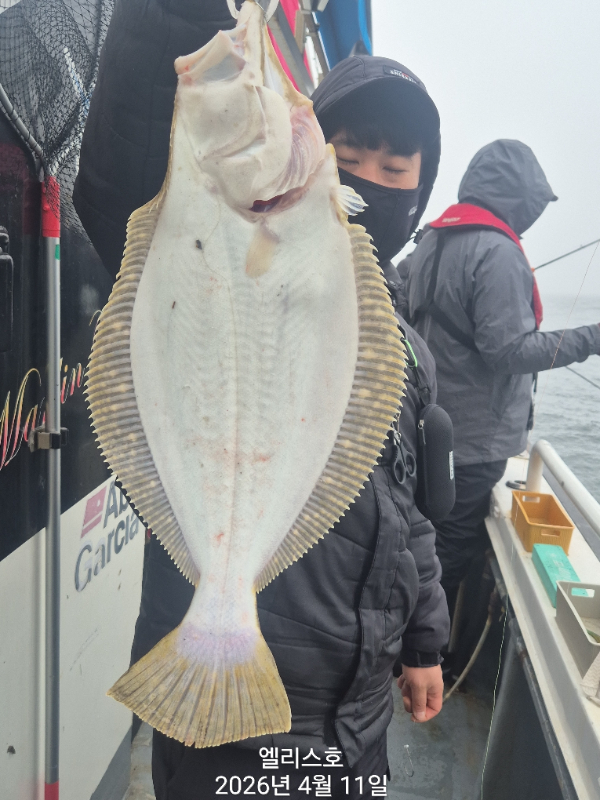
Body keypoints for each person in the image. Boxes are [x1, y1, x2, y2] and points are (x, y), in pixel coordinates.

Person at [74, 2, 450, 795]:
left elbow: (408, 513)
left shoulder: (404, 350)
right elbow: (121, 176)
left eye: (396, 169)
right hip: (240, 731)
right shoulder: (204, 230)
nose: (372, 178)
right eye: (351, 153)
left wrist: (424, 642)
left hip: (358, 724)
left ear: (420, 191)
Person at [399, 139, 600, 621]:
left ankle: (400, 635)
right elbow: (509, 351)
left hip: (423, 428)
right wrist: (592, 337)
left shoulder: (429, 240)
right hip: (473, 444)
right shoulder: (499, 251)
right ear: (521, 198)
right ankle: (420, 648)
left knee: (416, 540)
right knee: (448, 554)